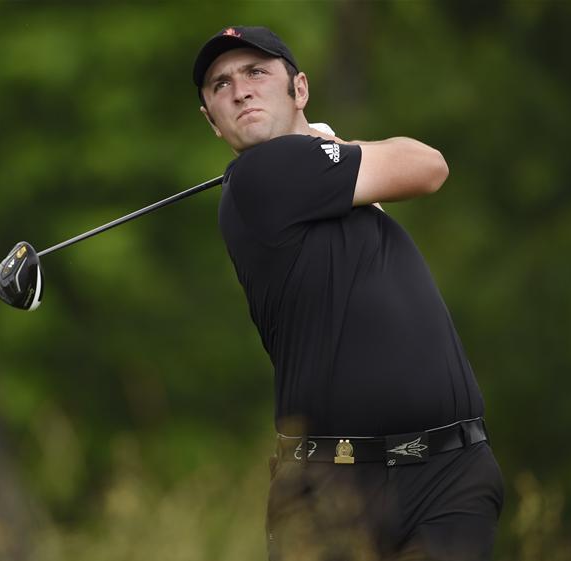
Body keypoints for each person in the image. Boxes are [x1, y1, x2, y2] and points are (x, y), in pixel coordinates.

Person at [192, 26, 504, 561]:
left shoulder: (327, 188)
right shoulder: (261, 174)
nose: (240, 91)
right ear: (212, 121)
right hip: (333, 492)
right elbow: (427, 165)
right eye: (221, 85)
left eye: (256, 72)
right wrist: (326, 143)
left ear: (300, 89)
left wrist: (329, 149)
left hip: (451, 476)